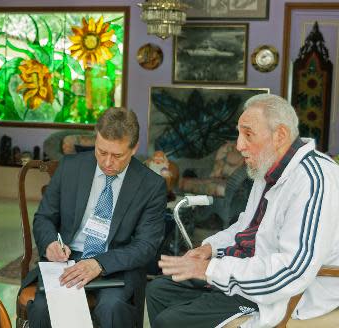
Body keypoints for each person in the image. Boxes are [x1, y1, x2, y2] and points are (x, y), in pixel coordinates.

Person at [146, 94, 339, 327]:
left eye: (248, 134)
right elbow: (246, 227)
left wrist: (211, 269)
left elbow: (292, 271)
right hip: (248, 272)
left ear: (279, 136)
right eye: (239, 133)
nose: (239, 145)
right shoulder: (267, 168)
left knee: (171, 321)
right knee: (159, 289)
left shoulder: (313, 180)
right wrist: (210, 248)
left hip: (281, 293)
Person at [23, 107, 167, 328]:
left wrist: (99, 263)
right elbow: (44, 217)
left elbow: (146, 246)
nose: (108, 163)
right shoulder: (70, 167)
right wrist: (51, 243)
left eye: (117, 155)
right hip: (68, 260)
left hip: (116, 264)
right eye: (101, 152)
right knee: (44, 309)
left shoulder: (151, 185)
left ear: (134, 148)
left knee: (111, 308)